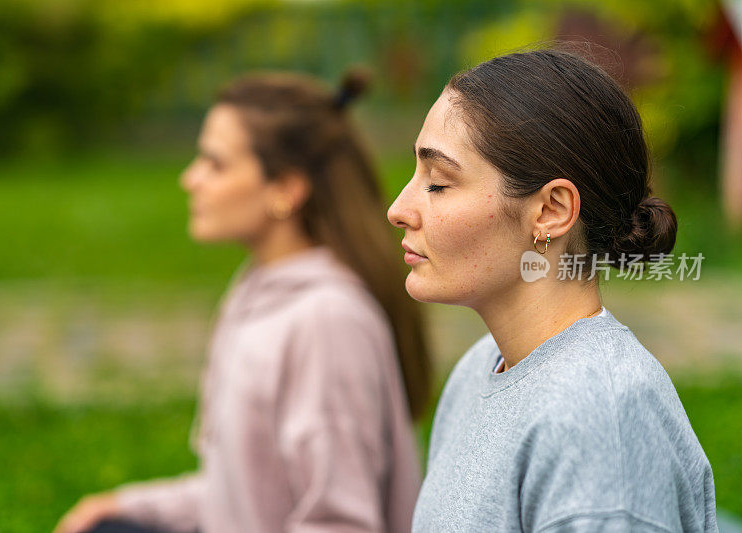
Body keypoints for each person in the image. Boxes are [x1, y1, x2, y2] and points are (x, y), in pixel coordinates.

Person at [55, 70, 430, 533]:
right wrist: (126, 505)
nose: (189, 179)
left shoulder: (327, 321)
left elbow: (341, 523)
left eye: (215, 164)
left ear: (286, 190)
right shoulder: (259, 290)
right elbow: (240, 496)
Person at [387, 48, 718, 532]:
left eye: (438, 183)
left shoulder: (599, 422)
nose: (399, 208)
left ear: (550, 212)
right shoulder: (479, 369)